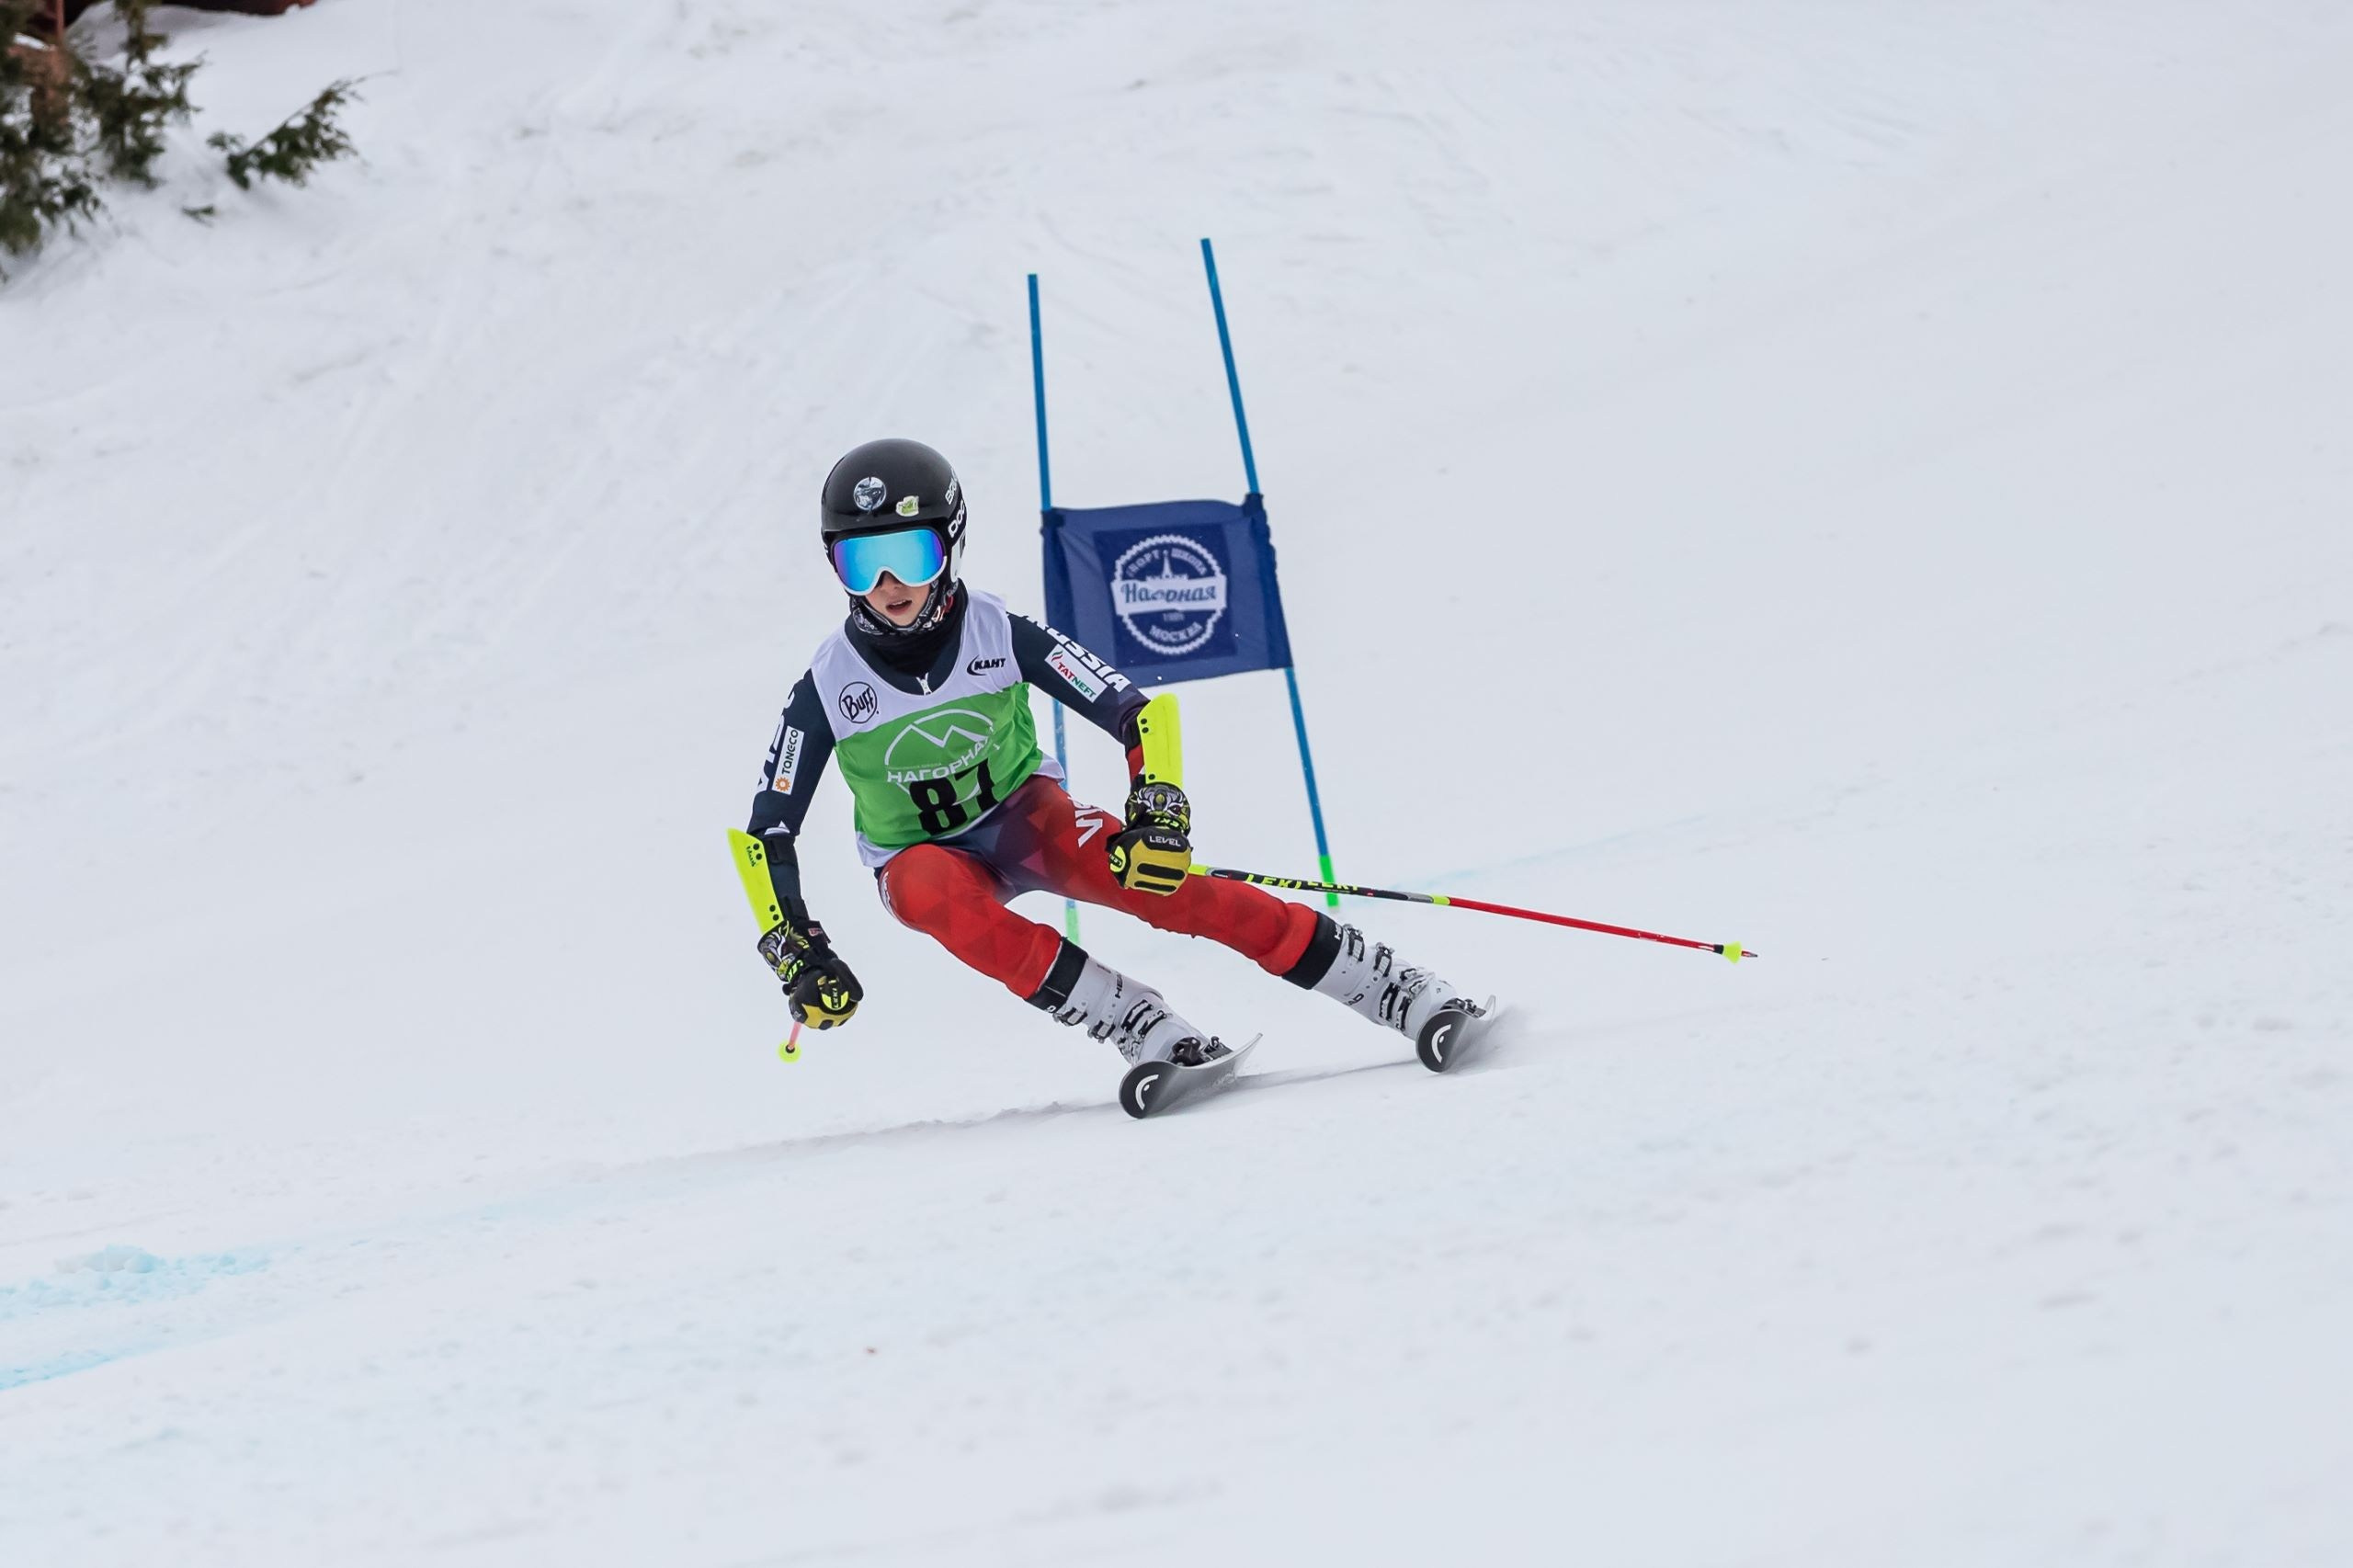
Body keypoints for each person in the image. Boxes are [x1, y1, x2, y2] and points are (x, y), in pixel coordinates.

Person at [744, 437, 1483, 1071]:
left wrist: (1158, 808)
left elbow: (1134, 710)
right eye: (860, 563)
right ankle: (1138, 1023)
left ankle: (1392, 987)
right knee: (926, 892)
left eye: (910, 554)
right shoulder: (828, 683)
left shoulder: (997, 632)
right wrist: (793, 943)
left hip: (1027, 819)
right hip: (921, 856)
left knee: (1161, 886)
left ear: (951, 544)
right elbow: (769, 828)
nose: (888, 585)